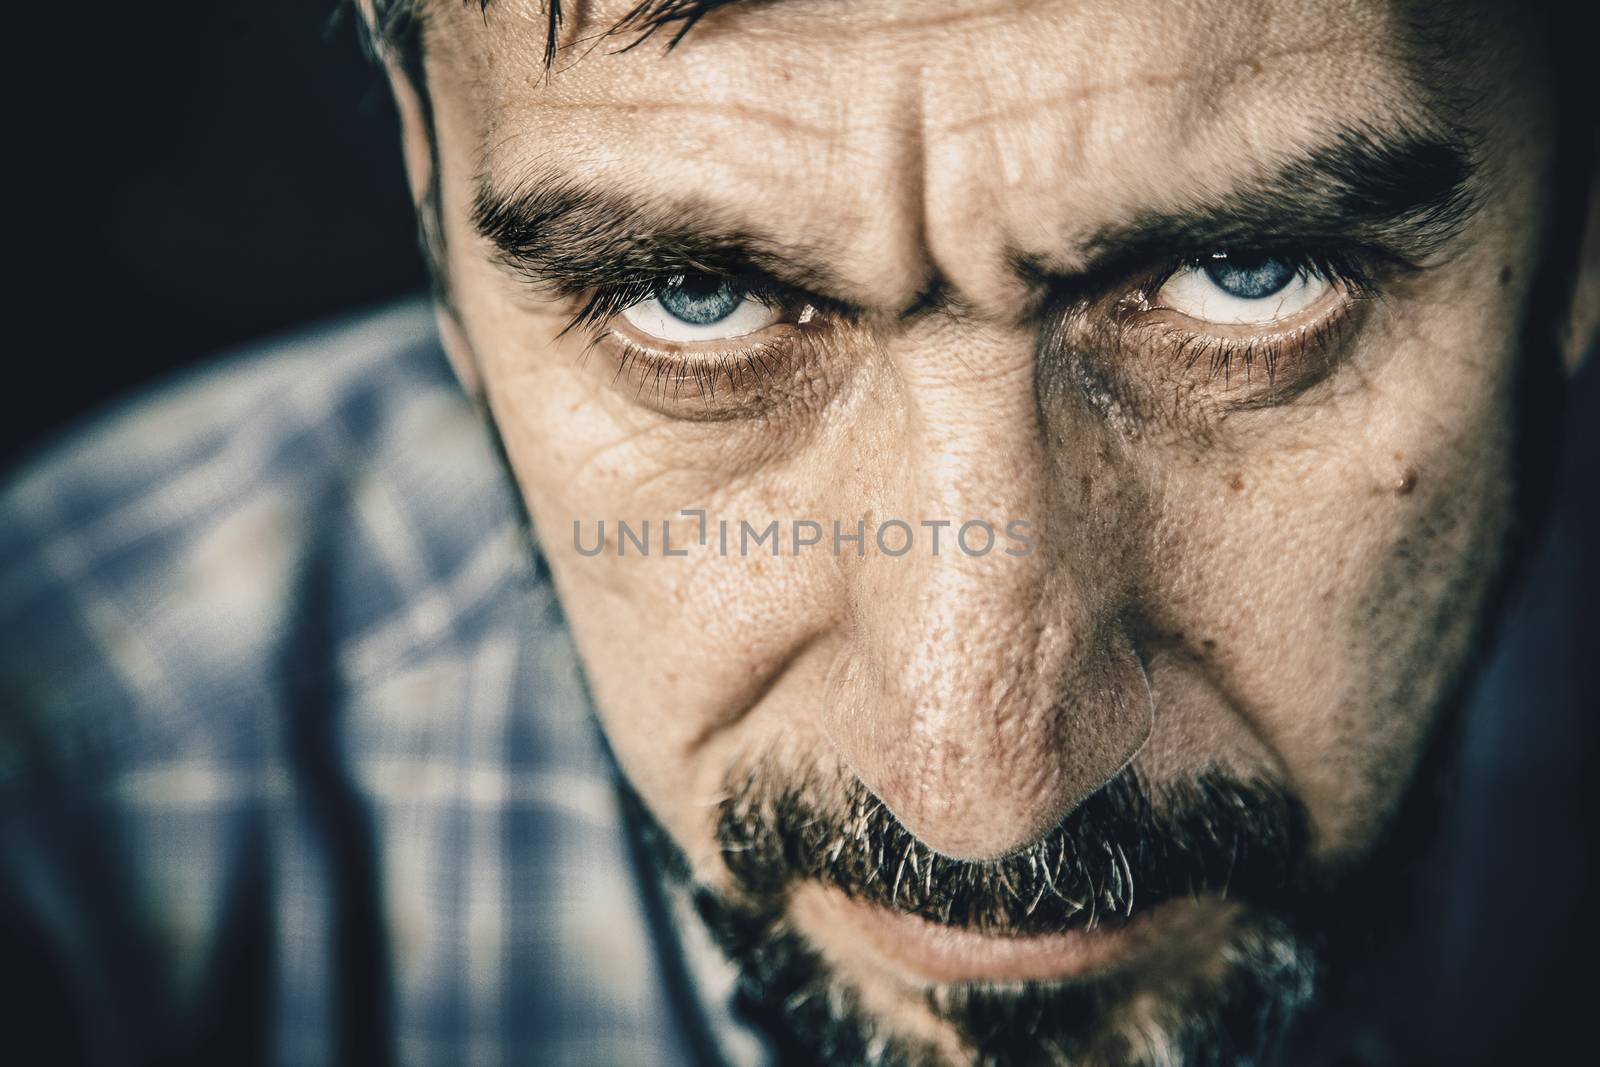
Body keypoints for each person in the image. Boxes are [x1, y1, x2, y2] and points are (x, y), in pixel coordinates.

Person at [2, 1, 1595, 1064]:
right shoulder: (78, 811)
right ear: (431, 208)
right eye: (699, 297)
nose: (984, 799)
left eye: (1251, 271)